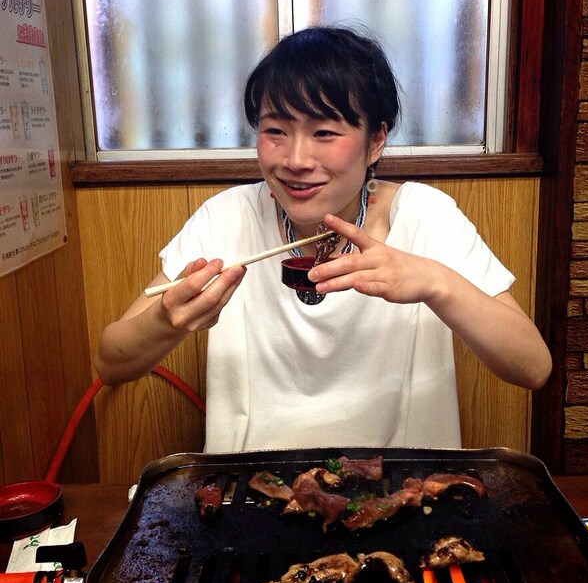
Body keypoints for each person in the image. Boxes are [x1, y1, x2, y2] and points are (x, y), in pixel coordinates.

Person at [95, 26, 552, 452]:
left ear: (376, 141)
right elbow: (111, 363)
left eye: (324, 133)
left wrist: (437, 283)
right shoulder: (226, 218)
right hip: (254, 491)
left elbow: (533, 367)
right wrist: (166, 321)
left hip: (402, 491)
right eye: (275, 131)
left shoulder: (424, 217)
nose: (296, 159)